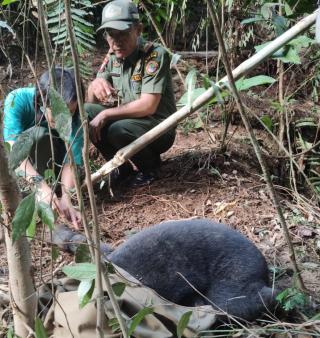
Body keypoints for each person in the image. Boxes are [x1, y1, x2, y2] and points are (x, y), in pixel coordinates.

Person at [86, 0, 176, 187]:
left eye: (123, 34)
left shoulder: (154, 54)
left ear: (138, 30)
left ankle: (150, 168)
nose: (117, 42)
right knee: (85, 112)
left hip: (159, 128)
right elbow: (91, 102)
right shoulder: (113, 56)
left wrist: (106, 113)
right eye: (111, 35)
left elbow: (148, 105)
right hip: (131, 123)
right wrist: (95, 84)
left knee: (117, 130)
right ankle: (121, 168)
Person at [3, 67, 83, 229]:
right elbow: (14, 150)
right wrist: (40, 186)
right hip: (24, 164)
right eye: (59, 112)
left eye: (70, 111)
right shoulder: (17, 100)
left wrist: (67, 197)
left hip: (54, 161)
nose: (65, 118)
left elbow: (71, 158)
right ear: (42, 101)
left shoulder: (77, 116)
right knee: (39, 135)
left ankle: (52, 192)